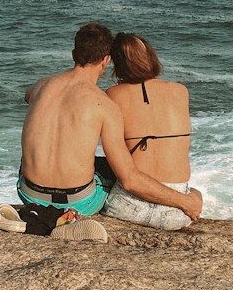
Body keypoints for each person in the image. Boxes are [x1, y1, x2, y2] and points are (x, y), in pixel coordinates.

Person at [18, 22, 202, 224]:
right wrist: (186, 202)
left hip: (29, 195)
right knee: (111, 168)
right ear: (106, 60)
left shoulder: (40, 86)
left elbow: (29, 96)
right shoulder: (105, 104)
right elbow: (129, 179)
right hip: (80, 203)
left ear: (73, 54)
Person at [102, 32, 196, 231]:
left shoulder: (112, 95)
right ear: (150, 57)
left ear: (117, 65)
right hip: (177, 213)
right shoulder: (181, 91)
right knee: (196, 193)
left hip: (126, 207)